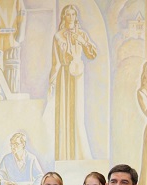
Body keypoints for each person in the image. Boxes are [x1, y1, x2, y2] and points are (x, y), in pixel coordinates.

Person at [49, 4, 96, 160]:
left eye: (73, 14)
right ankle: (65, 153)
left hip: (77, 73)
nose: (70, 17)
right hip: (63, 74)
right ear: (64, 17)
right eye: (67, 14)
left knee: (77, 110)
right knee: (64, 110)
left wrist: (83, 42)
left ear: (76, 17)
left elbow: (92, 54)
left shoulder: (81, 34)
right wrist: (52, 81)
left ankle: (79, 151)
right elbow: (56, 61)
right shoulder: (58, 36)